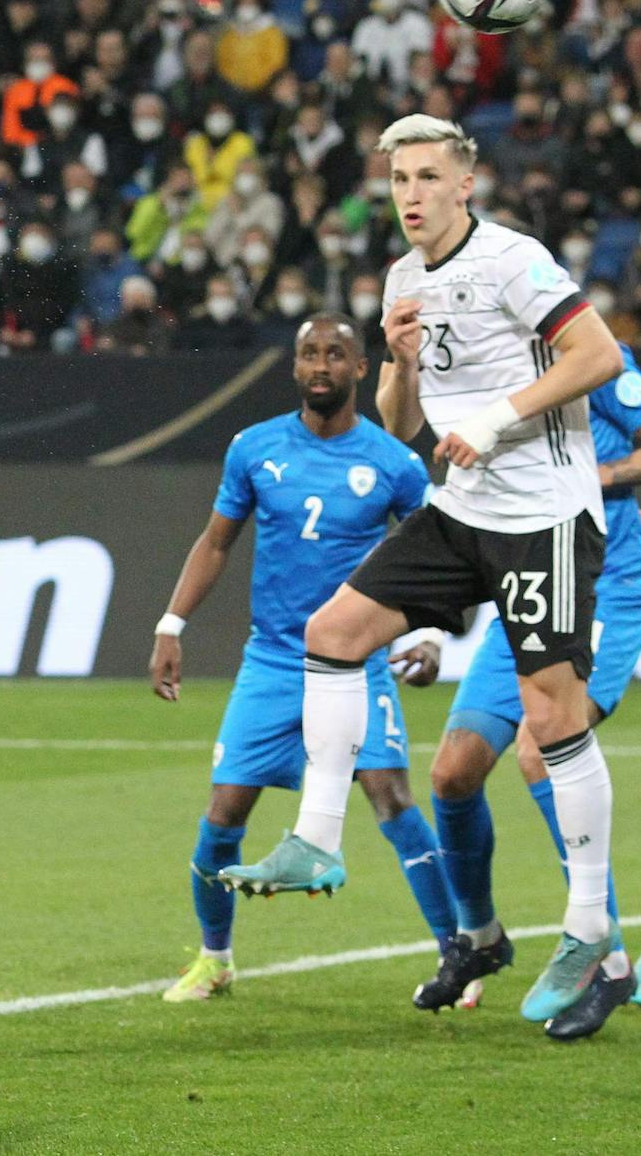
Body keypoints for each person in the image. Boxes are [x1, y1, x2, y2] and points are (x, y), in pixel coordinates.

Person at [220, 114, 626, 1029]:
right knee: (333, 631)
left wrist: (494, 418)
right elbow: (403, 424)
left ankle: (589, 922)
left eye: (428, 176)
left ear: (465, 185)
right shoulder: (404, 278)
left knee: (551, 718)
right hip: (464, 510)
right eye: (399, 178)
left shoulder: (514, 261)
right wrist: (400, 361)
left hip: (544, 516)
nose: (410, 194)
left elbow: (598, 355)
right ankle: (317, 837)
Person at [150, 315, 456, 1002]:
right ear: (294, 367)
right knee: (223, 813)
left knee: (392, 797)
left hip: (357, 662)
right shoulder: (255, 448)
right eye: (310, 354)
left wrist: (431, 634)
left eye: (336, 354)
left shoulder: (394, 463)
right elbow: (217, 541)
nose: (321, 365)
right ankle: (215, 958)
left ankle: (457, 953)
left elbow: (439, 555)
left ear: (360, 369)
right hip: (273, 660)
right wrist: (172, 623)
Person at [428, 346, 641, 1038]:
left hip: (603, 589)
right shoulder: (487, 365)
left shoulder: (595, 361)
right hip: (527, 589)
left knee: (543, 750)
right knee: (452, 771)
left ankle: (609, 964)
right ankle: (479, 936)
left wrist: (601, 478)